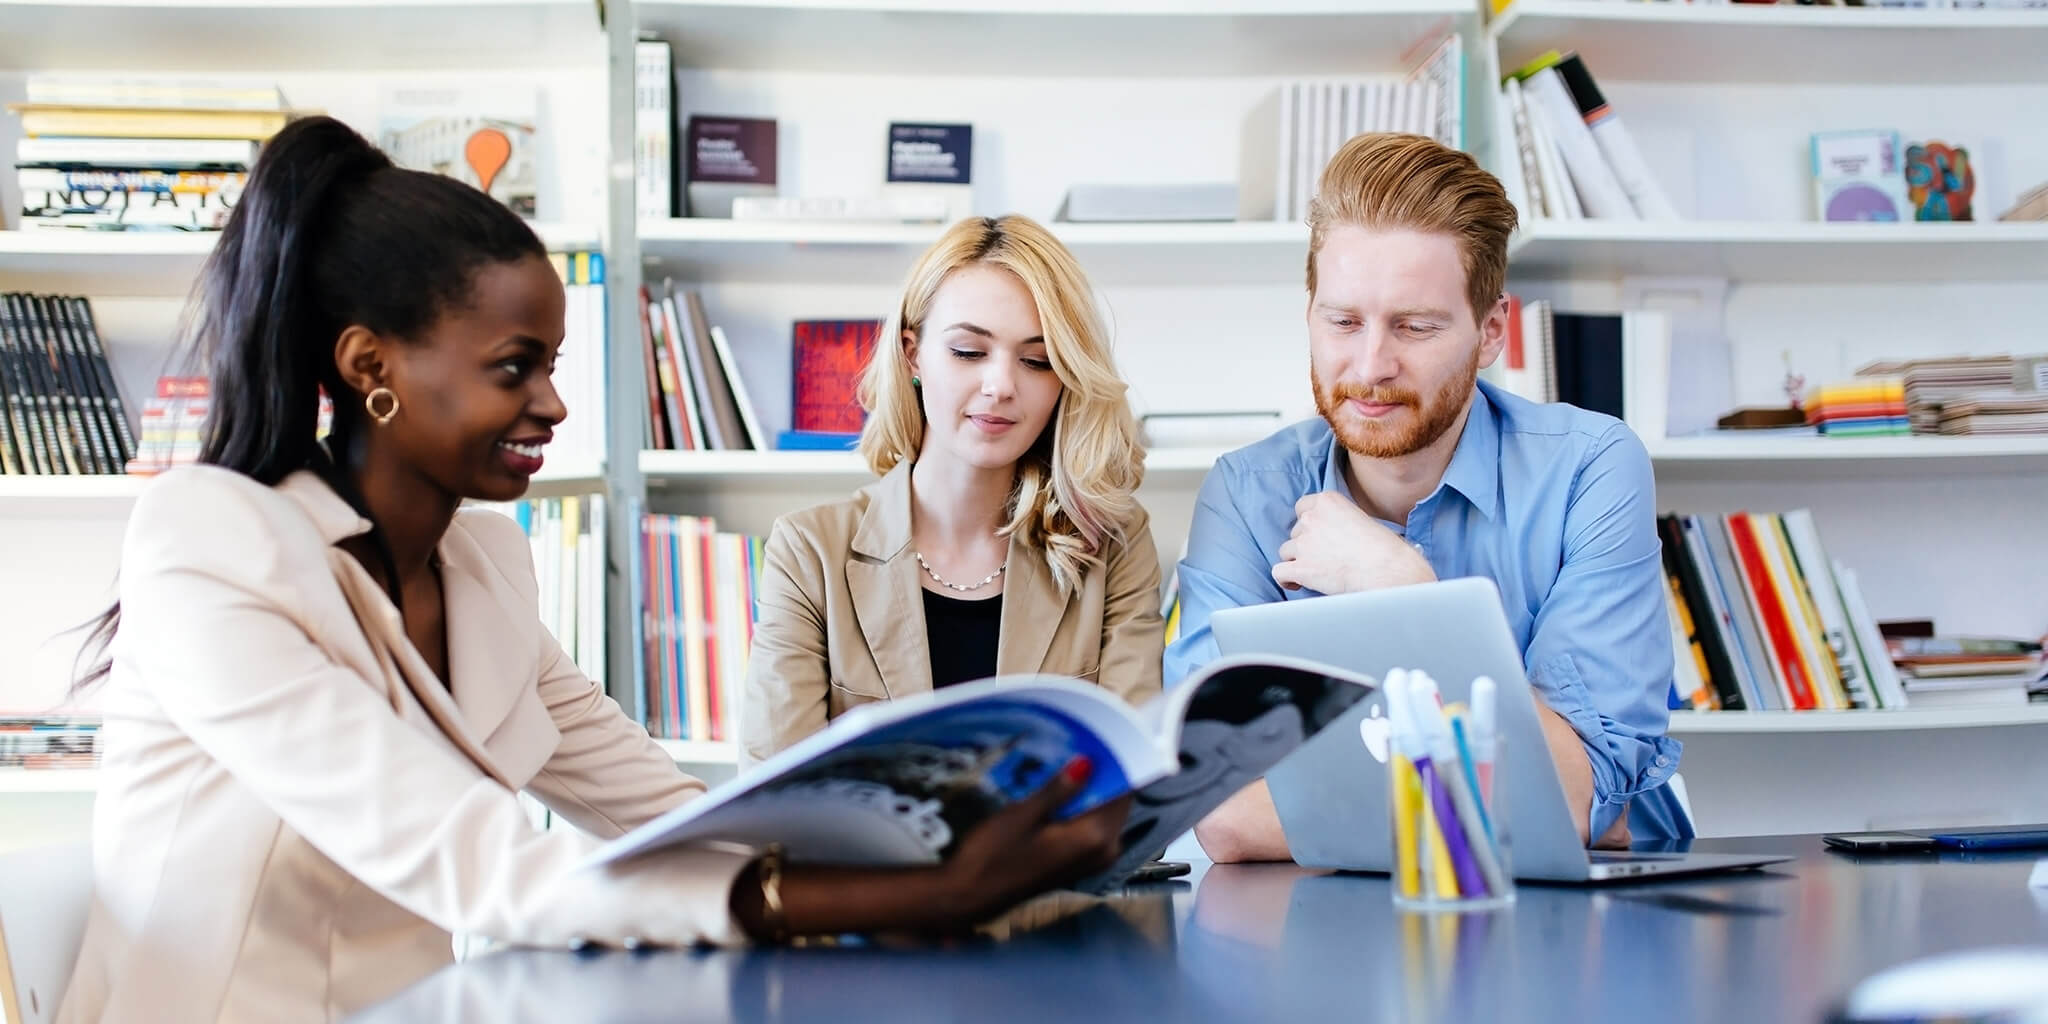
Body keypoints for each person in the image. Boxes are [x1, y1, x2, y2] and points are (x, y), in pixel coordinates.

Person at [58, 118, 1128, 1023]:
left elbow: (659, 812)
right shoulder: (206, 541)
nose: (555, 406)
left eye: (552, 365)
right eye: (511, 367)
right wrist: (904, 895)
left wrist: (903, 875)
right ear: (369, 367)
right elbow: (485, 863)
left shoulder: (481, 567)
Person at [1165, 132, 1688, 863]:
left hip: (1572, 928)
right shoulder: (1247, 493)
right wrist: (1518, 801)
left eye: (1415, 326)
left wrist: (1404, 589)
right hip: (1330, 937)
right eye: (1343, 322)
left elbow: (1575, 799)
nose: (1371, 366)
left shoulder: (1590, 468)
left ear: (1491, 331)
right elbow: (1220, 814)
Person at [740, 215, 1162, 764]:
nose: (1001, 386)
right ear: (913, 355)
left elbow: (1130, 782)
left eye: (1037, 361)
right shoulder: (809, 551)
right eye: (969, 352)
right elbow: (776, 798)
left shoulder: (1113, 545)